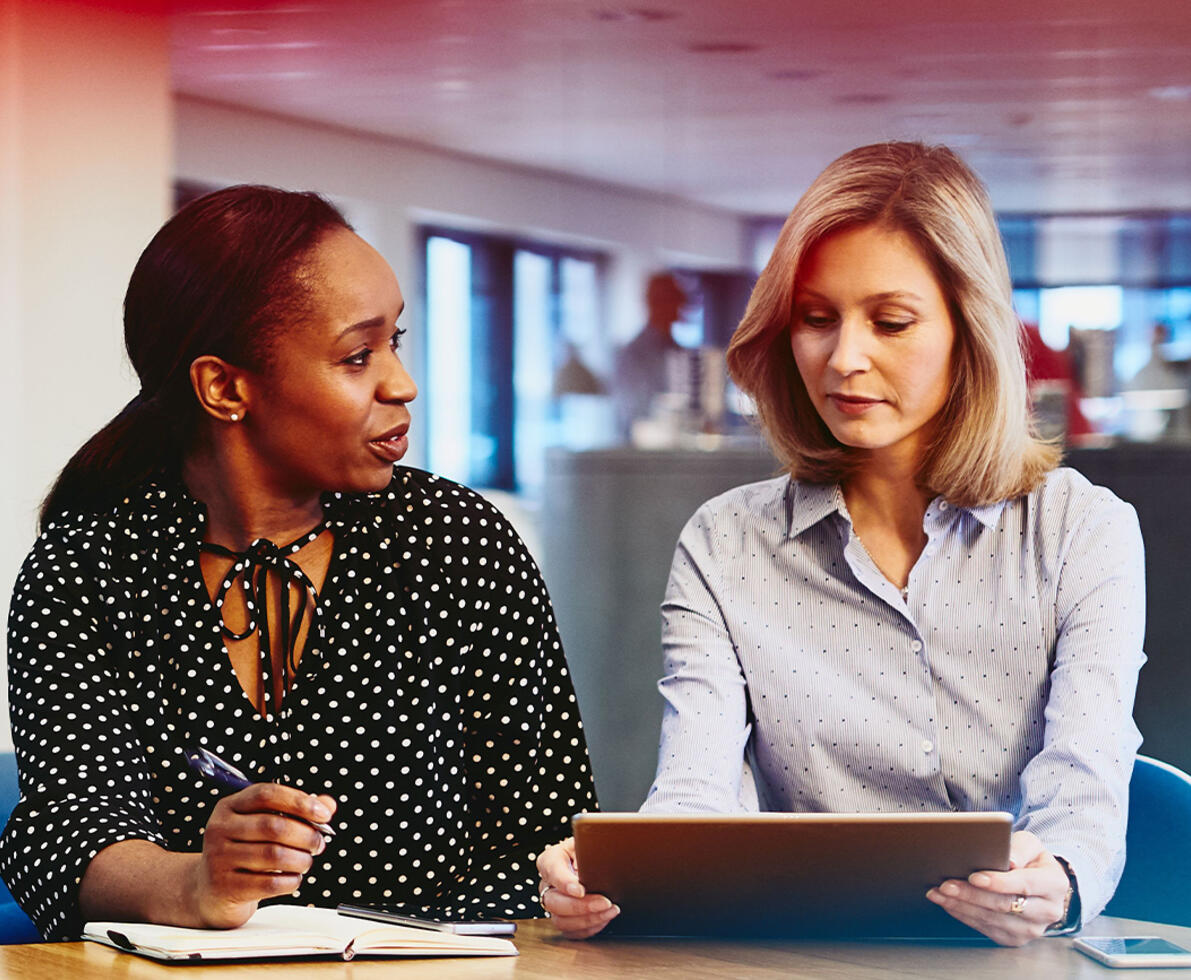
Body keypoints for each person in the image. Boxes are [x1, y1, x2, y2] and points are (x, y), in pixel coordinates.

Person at [537, 141, 1145, 946]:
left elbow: (1083, 794)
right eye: (816, 319)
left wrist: (1055, 882)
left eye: (889, 321)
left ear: (969, 327)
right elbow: (695, 790)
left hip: (1014, 958)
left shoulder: (1082, 532)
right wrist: (616, 875)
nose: (844, 359)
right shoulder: (725, 544)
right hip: (799, 956)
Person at [0, 185, 596, 940]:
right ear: (225, 387)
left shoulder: (456, 541)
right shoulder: (89, 567)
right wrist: (196, 881)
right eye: (356, 356)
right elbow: (66, 834)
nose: (401, 385)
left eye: (396, 343)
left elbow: (545, 824)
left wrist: (571, 882)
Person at [611, 272, 688, 439]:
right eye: (672, 300)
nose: (679, 307)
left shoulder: (680, 352)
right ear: (655, 303)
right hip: (643, 453)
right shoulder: (632, 355)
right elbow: (634, 415)